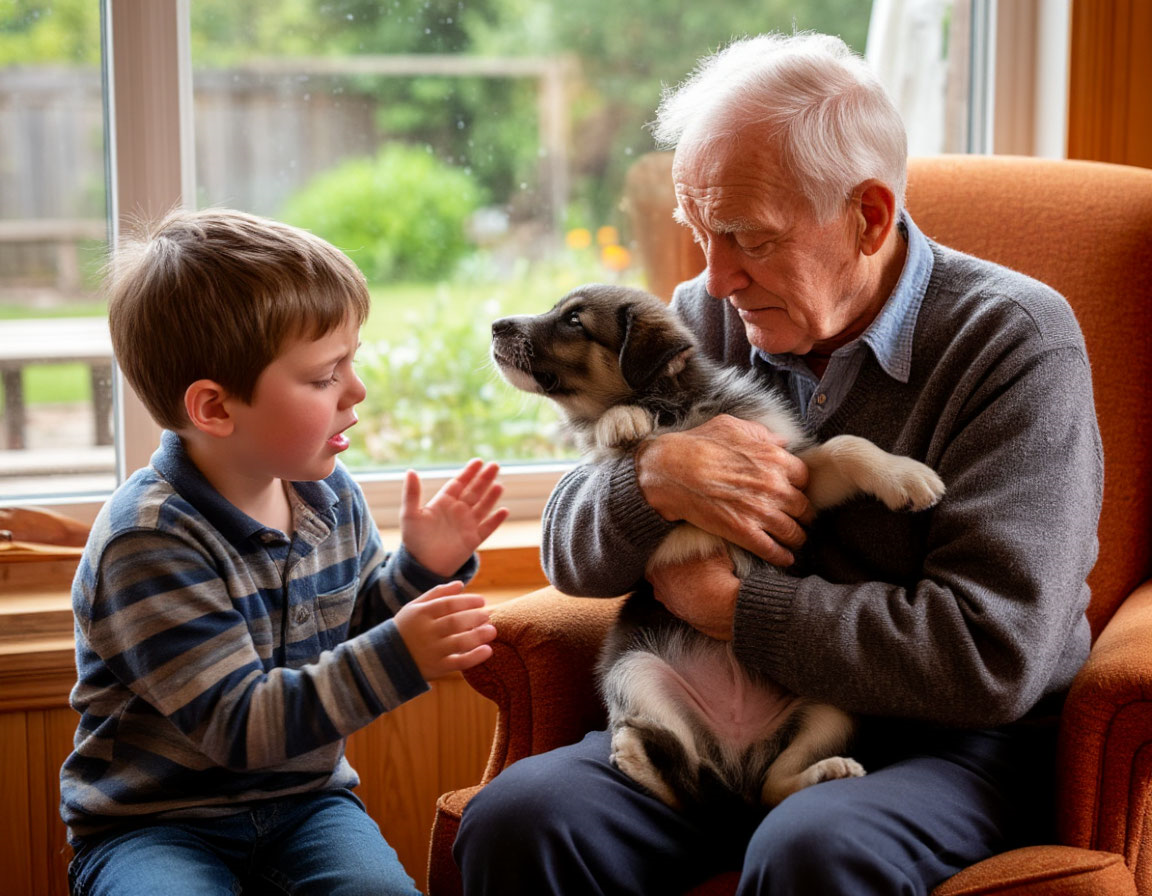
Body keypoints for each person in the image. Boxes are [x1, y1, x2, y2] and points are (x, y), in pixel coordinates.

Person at [454, 31, 1103, 895]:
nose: (713, 278)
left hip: (942, 744)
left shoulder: (1013, 342)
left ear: (868, 218)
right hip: (711, 718)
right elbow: (571, 552)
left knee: (811, 849)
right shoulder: (710, 318)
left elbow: (991, 655)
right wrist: (650, 482)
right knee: (519, 819)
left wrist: (740, 611)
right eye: (700, 233)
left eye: (746, 238)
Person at [61, 208, 508, 896]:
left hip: (307, 807)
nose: (356, 391)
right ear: (214, 409)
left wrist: (422, 570)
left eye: (350, 361)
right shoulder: (147, 539)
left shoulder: (327, 497)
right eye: (326, 374)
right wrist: (401, 655)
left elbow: (350, 632)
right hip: (154, 826)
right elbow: (241, 726)